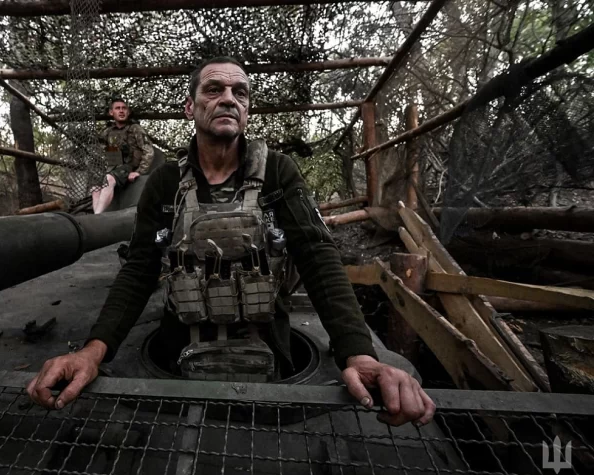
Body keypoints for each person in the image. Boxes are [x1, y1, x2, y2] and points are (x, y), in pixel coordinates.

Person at [28, 57, 435, 427]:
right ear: (190, 108)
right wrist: (92, 351)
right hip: (175, 354)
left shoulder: (278, 172)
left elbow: (318, 257)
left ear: (247, 109)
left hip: (269, 348)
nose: (228, 98)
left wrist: (358, 353)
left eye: (240, 92)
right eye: (213, 89)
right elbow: (140, 268)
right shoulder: (165, 183)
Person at [92, 97, 154, 213]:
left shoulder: (135, 129)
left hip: (128, 167)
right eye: (117, 108)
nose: (121, 111)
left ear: (128, 112)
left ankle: (97, 216)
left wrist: (139, 171)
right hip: (113, 166)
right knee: (95, 187)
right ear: (111, 112)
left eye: (124, 108)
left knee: (109, 179)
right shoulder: (108, 132)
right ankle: (96, 215)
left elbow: (148, 151)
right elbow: (100, 152)